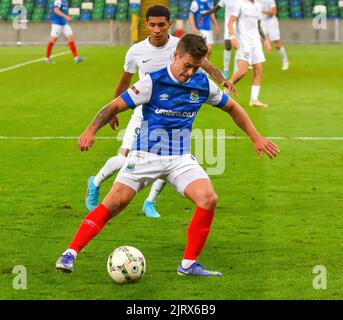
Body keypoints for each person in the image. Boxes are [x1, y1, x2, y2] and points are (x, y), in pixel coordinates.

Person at [55, 34, 279, 276]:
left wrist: (256, 137)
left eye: (195, 67)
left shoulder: (201, 83)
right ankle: (70, 253)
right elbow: (114, 106)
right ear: (176, 56)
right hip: (144, 156)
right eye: (187, 65)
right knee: (113, 204)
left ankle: (188, 265)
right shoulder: (153, 82)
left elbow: (233, 107)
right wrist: (91, 129)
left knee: (208, 198)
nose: (190, 72)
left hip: (180, 159)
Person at [85, 5, 236, 219]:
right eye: (153, 25)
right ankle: (96, 181)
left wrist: (222, 80)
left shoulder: (180, 46)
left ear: (169, 25)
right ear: (146, 25)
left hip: (174, 112)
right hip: (144, 113)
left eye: (161, 25)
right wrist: (114, 111)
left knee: (173, 157)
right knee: (124, 156)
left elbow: (205, 65)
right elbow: (124, 83)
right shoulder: (136, 51)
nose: (157, 30)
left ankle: (150, 201)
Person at [228, 0, 271, 108]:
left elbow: (259, 25)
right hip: (243, 42)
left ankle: (254, 100)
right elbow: (230, 21)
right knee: (242, 71)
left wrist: (265, 39)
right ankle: (225, 89)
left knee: (258, 70)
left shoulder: (258, 5)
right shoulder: (240, 4)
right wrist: (232, 37)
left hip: (255, 43)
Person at [201, 0, 239, 79]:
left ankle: (236, 71)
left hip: (239, 26)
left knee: (237, 48)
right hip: (229, 25)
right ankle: (226, 70)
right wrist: (204, 14)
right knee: (228, 46)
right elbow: (215, 9)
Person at [45, 0, 85, 64]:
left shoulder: (65, 1)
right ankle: (47, 58)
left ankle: (76, 58)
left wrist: (66, 18)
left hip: (64, 24)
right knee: (53, 40)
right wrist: (66, 16)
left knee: (71, 38)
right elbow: (56, 10)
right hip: (57, 24)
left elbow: (62, 11)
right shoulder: (58, 1)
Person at [259, 0, 289, 70]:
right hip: (261, 23)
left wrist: (262, 11)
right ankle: (253, 63)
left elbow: (274, 11)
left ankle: (285, 61)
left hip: (271, 23)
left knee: (277, 45)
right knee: (257, 43)